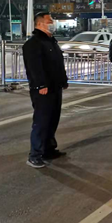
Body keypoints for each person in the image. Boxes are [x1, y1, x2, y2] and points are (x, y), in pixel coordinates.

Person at [22, 12, 68, 168]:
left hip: (55, 87)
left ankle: (48, 149)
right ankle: (35, 155)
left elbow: (58, 64)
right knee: (41, 122)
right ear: (40, 24)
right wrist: (41, 85)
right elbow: (34, 68)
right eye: (50, 21)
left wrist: (63, 80)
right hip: (43, 89)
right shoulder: (33, 43)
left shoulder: (51, 41)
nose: (53, 23)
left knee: (53, 119)